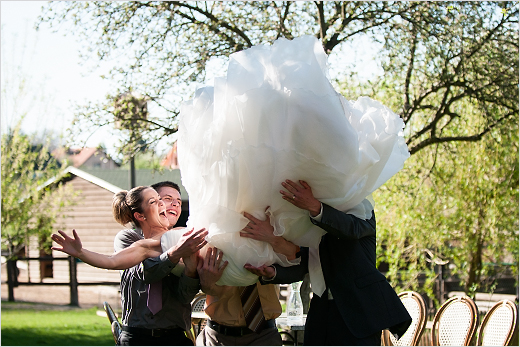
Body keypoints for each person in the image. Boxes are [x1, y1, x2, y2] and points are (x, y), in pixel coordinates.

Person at [243, 179, 412, 346]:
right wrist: (273, 273)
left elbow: (351, 229)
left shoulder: (362, 210)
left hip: (359, 314)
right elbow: (308, 264)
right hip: (321, 314)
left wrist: (315, 207)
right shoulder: (311, 224)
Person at [52, 185, 208, 345]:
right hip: (136, 336)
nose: (170, 204)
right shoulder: (137, 242)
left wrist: (191, 269)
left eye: (178, 201)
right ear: (140, 215)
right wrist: (81, 253)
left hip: (175, 336)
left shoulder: (184, 236)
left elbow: (186, 293)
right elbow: (113, 261)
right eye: (162, 199)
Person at [194, 211, 300, 346]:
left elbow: (295, 257)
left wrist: (272, 237)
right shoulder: (215, 225)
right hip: (217, 337)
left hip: (264, 337)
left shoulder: (271, 218)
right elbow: (206, 285)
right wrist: (207, 283)